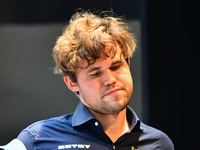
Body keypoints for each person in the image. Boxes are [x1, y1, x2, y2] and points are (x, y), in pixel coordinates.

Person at [0, 10, 174, 150]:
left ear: (128, 65)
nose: (110, 80)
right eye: (95, 73)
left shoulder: (159, 143)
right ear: (72, 83)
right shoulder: (38, 139)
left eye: (115, 67)